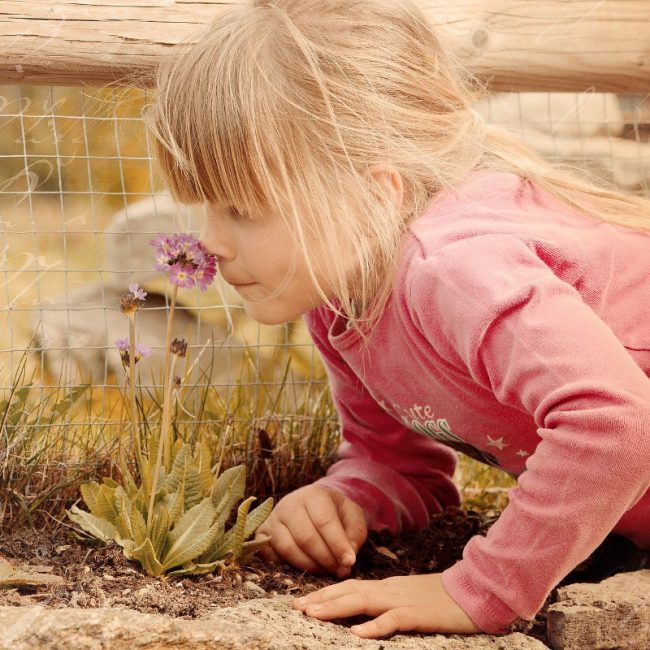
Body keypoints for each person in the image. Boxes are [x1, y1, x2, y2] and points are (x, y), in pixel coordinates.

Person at [145, 0, 650, 638]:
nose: (210, 240)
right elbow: (407, 466)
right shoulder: (341, 305)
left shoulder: (456, 270)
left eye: (242, 209)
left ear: (376, 192)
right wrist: (348, 497)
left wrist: (482, 590)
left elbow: (616, 421)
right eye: (204, 208)